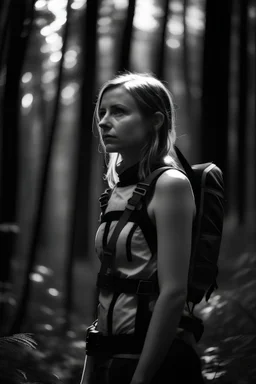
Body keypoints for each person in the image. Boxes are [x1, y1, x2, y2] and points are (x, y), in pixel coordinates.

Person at [84, 72, 205, 384]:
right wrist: (89, 372)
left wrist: (141, 378)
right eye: (102, 112)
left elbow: (174, 292)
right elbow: (111, 287)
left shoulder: (170, 185)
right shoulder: (115, 193)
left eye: (119, 111)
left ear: (155, 120)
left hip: (158, 365)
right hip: (110, 361)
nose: (104, 122)